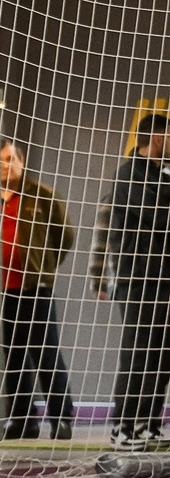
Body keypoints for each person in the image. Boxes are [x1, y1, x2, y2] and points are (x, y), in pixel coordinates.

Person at [0, 139, 77, 440]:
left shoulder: (41, 195)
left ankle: (61, 418)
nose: (6, 165)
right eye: (1, 160)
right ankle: (23, 420)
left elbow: (65, 235)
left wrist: (44, 266)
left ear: (22, 161)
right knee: (13, 356)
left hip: (35, 288)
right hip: (1, 291)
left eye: (11, 159)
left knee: (46, 353)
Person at [107, 112, 170, 450]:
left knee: (162, 356)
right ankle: (123, 425)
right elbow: (158, 215)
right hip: (138, 280)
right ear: (157, 138)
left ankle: (148, 422)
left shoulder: (163, 173)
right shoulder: (128, 175)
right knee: (138, 353)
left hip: (165, 279)